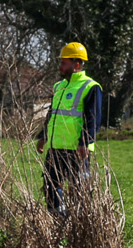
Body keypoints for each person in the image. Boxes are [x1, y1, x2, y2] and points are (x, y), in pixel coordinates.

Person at [36, 42, 104, 214]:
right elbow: (52, 114)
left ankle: (80, 223)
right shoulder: (59, 86)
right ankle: (58, 220)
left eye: (63, 63)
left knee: (79, 189)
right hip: (55, 147)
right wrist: (43, 136)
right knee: (50, 186)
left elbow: (93, 119)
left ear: (77, 64)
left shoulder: (91, 87)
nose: (60, 66)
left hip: (76, 150)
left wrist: (85, 143)